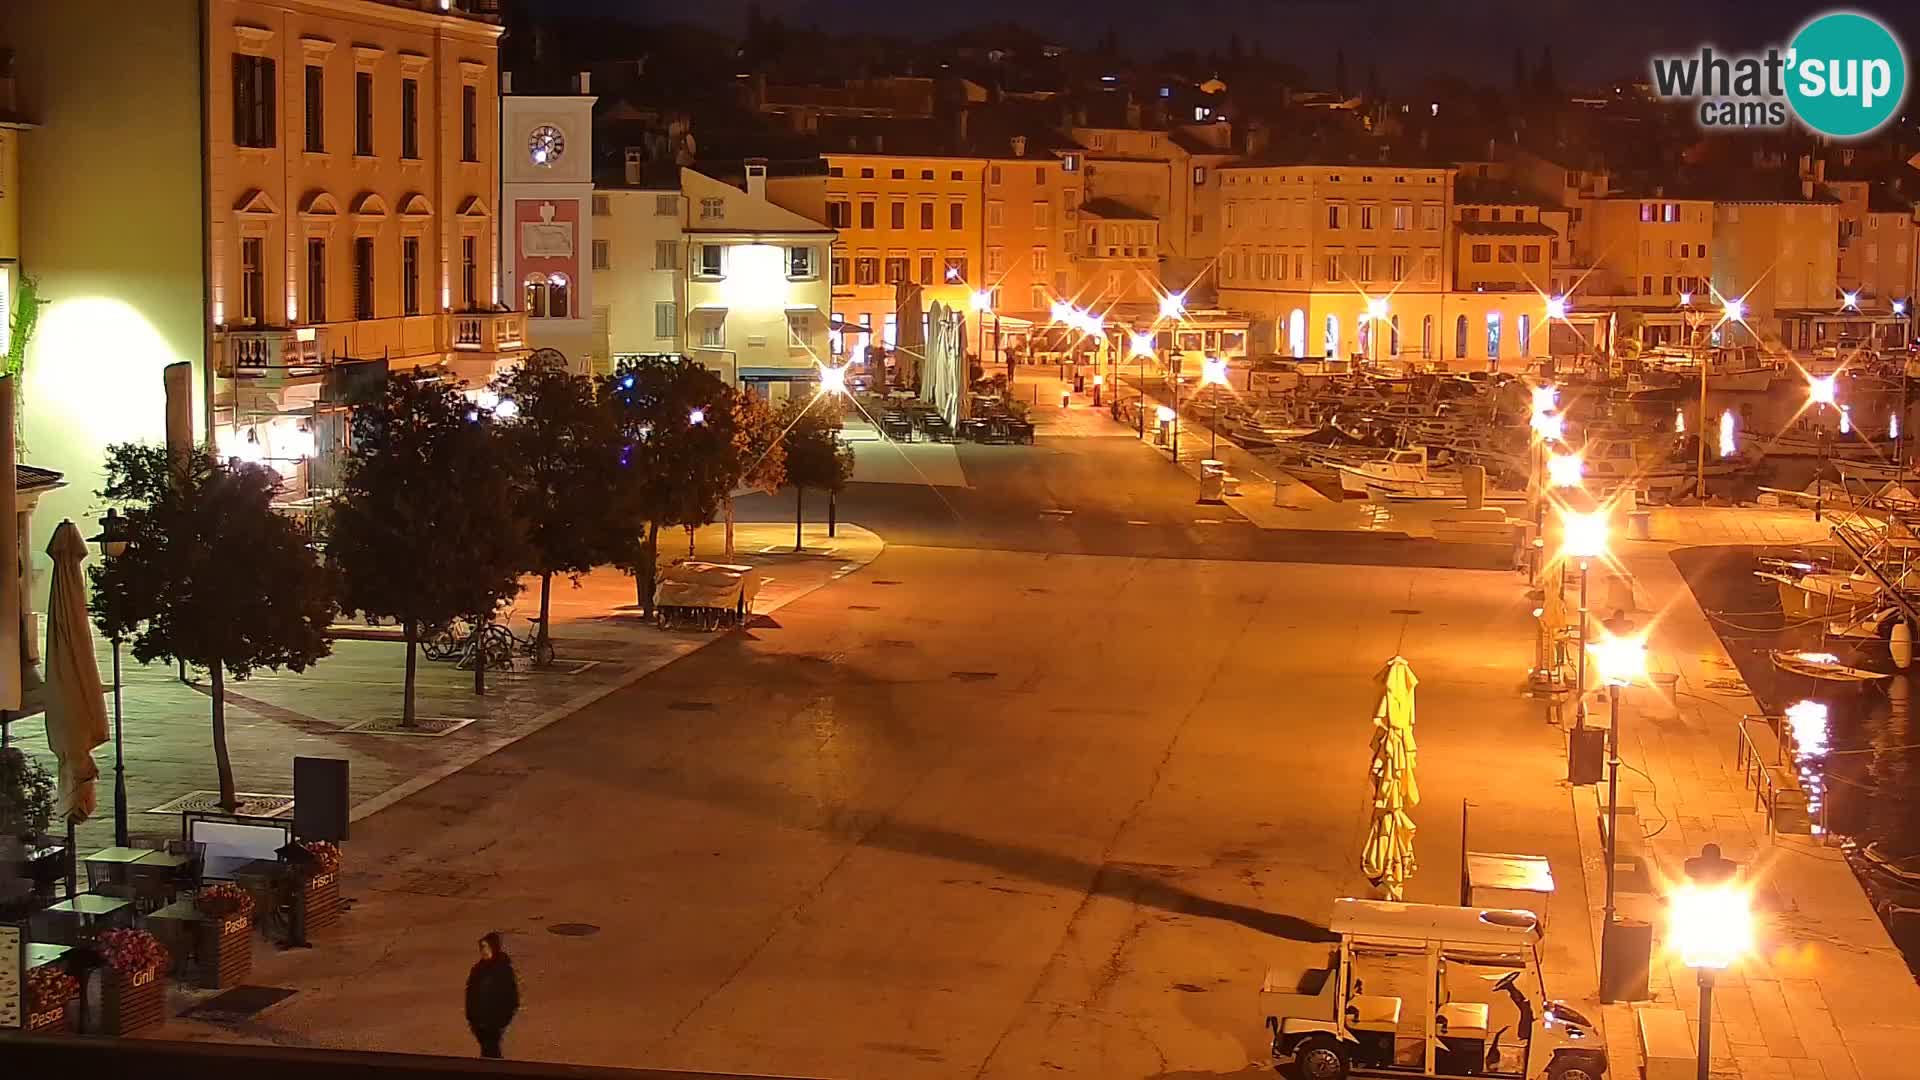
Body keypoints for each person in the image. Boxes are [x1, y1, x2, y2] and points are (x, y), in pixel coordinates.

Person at [465, 932, 519, 1058]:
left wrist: (503, 1019)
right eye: (482, 947)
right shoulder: (477, 970)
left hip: (494, 1022)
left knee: (490, 1052)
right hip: (479, 1022)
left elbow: (511, 997)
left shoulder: (503, 970)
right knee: (489, 1052)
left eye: (486, 947)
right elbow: (471, 993)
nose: (484, 950)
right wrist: (471, 1017)